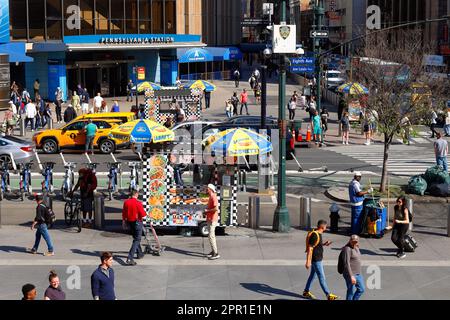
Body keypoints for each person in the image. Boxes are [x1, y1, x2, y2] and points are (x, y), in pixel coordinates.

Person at [302, 220, 339, 300]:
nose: (326, 227)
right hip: (316, 260)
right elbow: (310, 248)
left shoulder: (318, 234)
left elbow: (316, 244)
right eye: (326, 226)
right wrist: (308, 261)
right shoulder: (315, 235)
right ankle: (328, 295)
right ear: (322, 227)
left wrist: (324, 244)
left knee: (312, 276)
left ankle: (306, 291)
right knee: (322, 277)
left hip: (317, 259)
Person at [122, 189, 147, 266]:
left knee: (135, 238)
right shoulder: (138, 203)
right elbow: (143, 214)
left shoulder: (126, 202)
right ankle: (130, 258)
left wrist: (123, 222)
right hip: (137, 222)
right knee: (137, 239)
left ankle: (140, 253)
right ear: (136, 194)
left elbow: (124, 213)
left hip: (130, 222)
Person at [340, 235, 365, 300]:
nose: (354, 243)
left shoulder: (356, 247)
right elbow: (346, 263)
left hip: (358, 273)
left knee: (361, 289)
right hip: (350, 274)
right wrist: (351, 276)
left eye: (356, 241)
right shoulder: (347, 249)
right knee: (351, 291)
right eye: (353, 241)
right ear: (350, 241)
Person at [205, 184, 220, 260]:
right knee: (210, 236)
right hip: (210, 218)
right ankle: (213, 251)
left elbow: (216, 208)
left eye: (207, 188)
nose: (206, 189)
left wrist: (207, 210)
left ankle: (216, 253)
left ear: (210, 189)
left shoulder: (213, 196)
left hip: (213, 219)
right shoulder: (211, 196)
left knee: (211, 236)